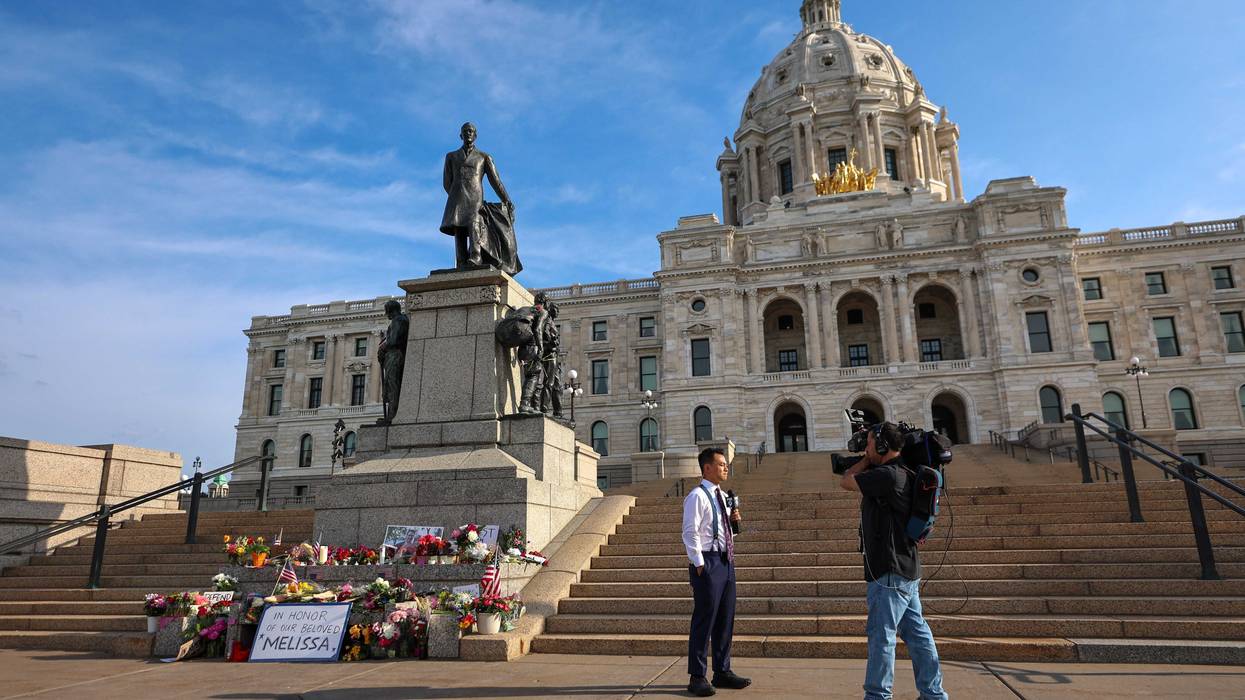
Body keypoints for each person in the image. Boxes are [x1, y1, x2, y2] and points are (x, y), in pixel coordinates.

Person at [840, 423, 948, 700]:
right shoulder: (905, 473)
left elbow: (846, 480)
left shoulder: (888, 475)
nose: (866, 448)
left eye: (871, 443)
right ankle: (933, 694)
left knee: (881, 636)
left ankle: (877, 695)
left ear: (884, 446)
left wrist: (864, 459)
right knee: (918, 633)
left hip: (889, 571)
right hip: (906, 567)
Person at [682, 447, 750, 697]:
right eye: (721, 464)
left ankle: (722, 671)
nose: (725, 468)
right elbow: (690, 532)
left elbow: (723, 529)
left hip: (727, 560)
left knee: (725, 619)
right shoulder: (696, 496)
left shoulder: (723, 495)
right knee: (704, 620)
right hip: (708, 563)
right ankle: (697, 676)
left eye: (726, 464)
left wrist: (734, 522)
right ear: (707, 467)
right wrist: (699, 564)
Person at [439, 122, 522, 275]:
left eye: (471, 131)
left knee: (474, 223)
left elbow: (496, 181)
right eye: (465, 131)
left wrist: (506, 200)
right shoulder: (451, 156)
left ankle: (475, 257)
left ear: (475, 135)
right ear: (460, 135)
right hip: (457, 197)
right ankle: (461, 260)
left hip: (475, 197)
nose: (468, 133)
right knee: (459, 229)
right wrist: (455, 193)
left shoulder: (483, 157)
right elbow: (446, 182)